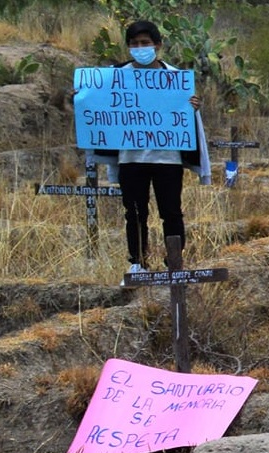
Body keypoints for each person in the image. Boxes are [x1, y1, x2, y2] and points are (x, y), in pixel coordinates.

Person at [85, 20, 210, 276]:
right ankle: (138, 263)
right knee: (134, 212)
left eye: (145, 43)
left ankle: (174, 262)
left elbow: (186, 115)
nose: (140, 48)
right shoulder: (115, 77)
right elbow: (95, 101)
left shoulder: (175, 78)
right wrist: (81, 95)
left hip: (168, 159)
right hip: (131, 158)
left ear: (157, 45)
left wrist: (193, 106)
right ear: (128, 47)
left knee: (171, 212)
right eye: (134, 44)